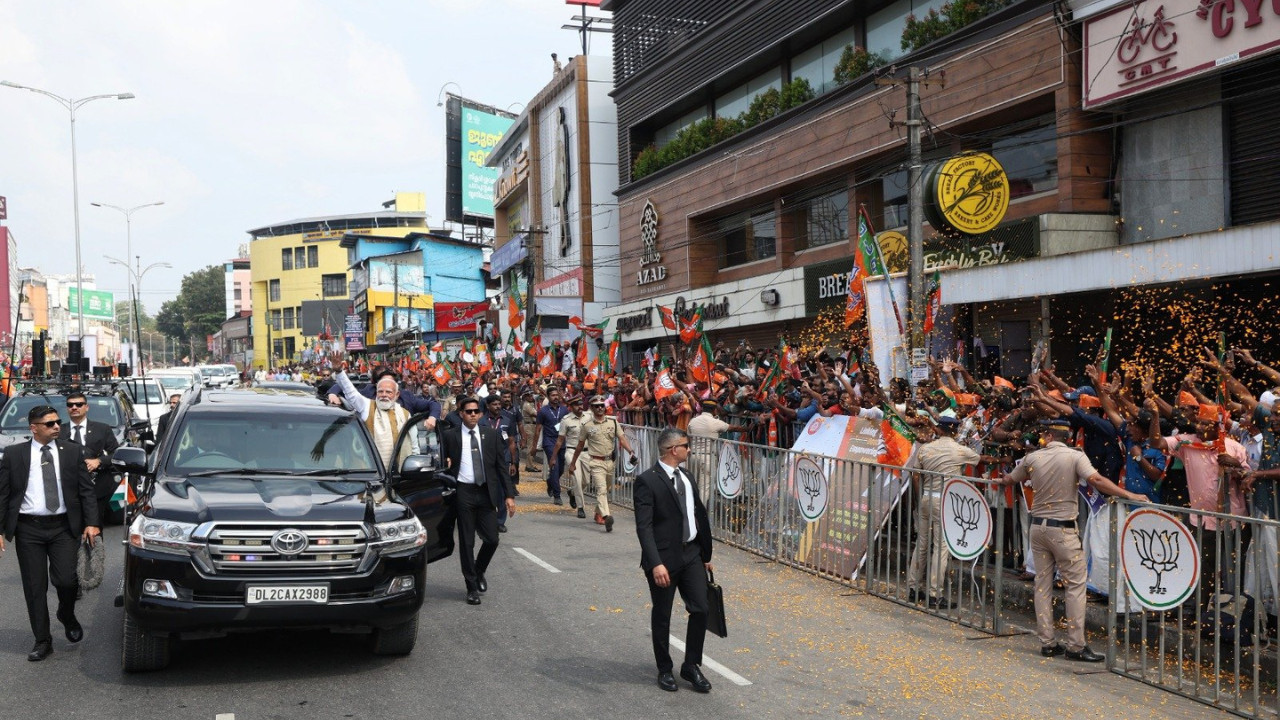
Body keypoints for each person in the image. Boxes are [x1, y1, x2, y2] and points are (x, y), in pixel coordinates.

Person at [990, 419, 1147, 661]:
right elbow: (1095, 480)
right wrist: (1129, 494)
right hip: (1062, 531)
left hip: (1038, 528)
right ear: (1067, 437)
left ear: (1049, 436)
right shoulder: (1075, 456)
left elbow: (1011, 479)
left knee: (1042, 585)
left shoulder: (1033, 457)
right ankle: (1075, 645)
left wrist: (1001, 481)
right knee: (1075, 585)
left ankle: (1047, 642)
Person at [0, 405, 100, 661]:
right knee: (35, 587)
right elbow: (4, 495)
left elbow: (86, 490)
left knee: (67, 580)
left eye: (58, 422)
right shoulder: (14, 455)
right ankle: (42, 640)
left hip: (63, 528)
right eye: (50, 423)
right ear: (34, 428)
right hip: (28, 529)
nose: (57, 426)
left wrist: (92, 523)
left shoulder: (72, 452)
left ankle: (66, 614)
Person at [634, 427, 714, 693]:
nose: (689, 450)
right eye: (686, 445)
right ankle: (664, 668)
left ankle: (691, 665)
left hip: (691, 553)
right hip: (664, 559)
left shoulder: (687, 476)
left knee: (701, 608)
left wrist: (705, 554)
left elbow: (697, 515)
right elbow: (643, 527)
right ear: (672, 450)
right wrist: (655, 563)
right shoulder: (647, 481)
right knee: (663, 615)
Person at [440, 396, 516, 605]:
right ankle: (471, 586)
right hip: (463, 492)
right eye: (468, 411)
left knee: (492, 539)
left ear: (481, 414)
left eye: (476, 411)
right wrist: (446, 465)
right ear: (461, 414)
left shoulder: (490, 435)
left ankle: (479, 569)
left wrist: (509, 495)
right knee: (467, 541)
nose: (473, 414)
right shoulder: (450, 436)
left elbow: (501, 467)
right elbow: (442, 464)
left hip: (485, 492)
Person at [906, 415, 986, 609]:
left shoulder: (926, 448)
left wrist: (919, 499)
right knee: (941, 549)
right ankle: (934, 595)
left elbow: (916, 475)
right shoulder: (959, 450)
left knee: (922, 543)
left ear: (939, 430)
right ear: (956, 431)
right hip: (944, 502)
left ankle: (913, 588)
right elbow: (979, 458)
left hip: (926, 498)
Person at [567, 395, 639, 532]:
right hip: (595, 461)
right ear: (592, 408)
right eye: (597, 406)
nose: (600, 408)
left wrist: (630, 451)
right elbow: (580, 445)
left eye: (602, 405)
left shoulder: (612, 423)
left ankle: (598, 512)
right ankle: (607, 516)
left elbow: (622, 439)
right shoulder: (587, 426)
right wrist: (573, 463)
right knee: (601, 489)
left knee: (606, 489)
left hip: (610, 461)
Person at [332, 367, 415, 469]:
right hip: (372, 474)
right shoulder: (368, 407)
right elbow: (351, 393)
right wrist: (339, 372)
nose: (384, 395)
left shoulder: (405, 414)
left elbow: (414, 446)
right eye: (380, 391)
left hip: (399, 476)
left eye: (388, 392)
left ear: (396, 394)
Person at [64, 391, 119, 524]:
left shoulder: (102, 429)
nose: (74, 407)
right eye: (70, 405)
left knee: (94, 527)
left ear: (86, 407)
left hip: (96, 488)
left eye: (79, 404)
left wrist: (99, 461)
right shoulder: (59, 431)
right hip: (69, 489)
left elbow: (117, 454)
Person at [482, 393, 519, 533]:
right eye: (494, 404)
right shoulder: (482, 421)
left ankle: (500, 521)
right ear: (488, 406)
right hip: (487, 462)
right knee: (487, 492)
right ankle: (486, 519)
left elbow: (511, 442)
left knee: (503, 492)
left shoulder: (507, 420)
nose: (497, 407)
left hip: (503, 461)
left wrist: (513, 462)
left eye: (499, 404)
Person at [532, 386, 569, 505]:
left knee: (561, 469)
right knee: (554, 466)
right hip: (549, 442)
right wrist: (534, 446)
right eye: (553, 395)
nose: (556, 397)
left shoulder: (564, 410)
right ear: (548, 397)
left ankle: (550, 482)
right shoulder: (543, 411)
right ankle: (557, 495)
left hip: (562, 441)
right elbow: (537, 430)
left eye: (557, 395)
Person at [553, 395, 589, 517]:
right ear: (571, 407)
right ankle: (581, 507)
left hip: (586, 452)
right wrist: (553, 457)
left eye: (580, 404)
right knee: (577, 479)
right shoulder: (566, 420)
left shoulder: (589, 417)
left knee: (586, 481)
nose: (579, 407)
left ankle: (572, 492)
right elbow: (559, 440)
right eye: (576, 405)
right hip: (571, 451)